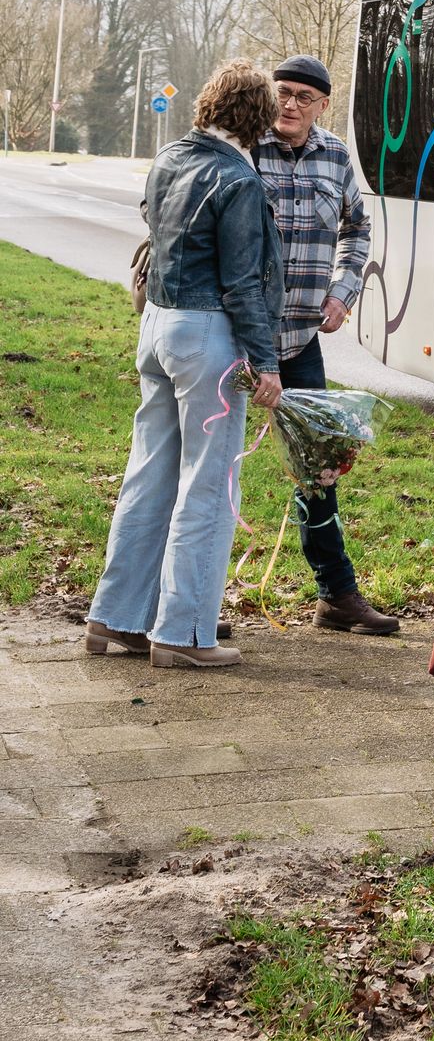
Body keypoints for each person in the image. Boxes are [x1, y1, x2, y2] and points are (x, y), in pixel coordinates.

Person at [84, 61, 286, 671]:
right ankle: (185, 633)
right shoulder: (240, 181)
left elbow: (153, 221)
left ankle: (114, 617)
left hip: (157, 326)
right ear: (260, 115)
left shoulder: (171, 156)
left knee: (148, 475)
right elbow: (244, 283)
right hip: (207, 339)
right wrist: (266, 361)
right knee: (209, 484)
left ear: (210, 103)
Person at [252, 54, 396, 635]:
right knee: (213, 469)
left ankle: (337, 595)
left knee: (319, 466)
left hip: (300, 341)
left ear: (322, 105)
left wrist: (343, 291)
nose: (289, 105)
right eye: (282, 93)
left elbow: (357, 230)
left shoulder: (335, 156)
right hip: (237, 341)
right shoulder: (246, 146)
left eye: (302, 98)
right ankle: (192, 599)